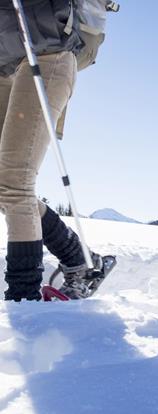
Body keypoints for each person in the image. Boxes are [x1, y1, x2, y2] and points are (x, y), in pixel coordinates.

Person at [0, 0, 102, 301]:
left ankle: (23, 299)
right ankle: (78, 258)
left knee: (15, 183)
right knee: (4, 186)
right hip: (6, 66)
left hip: (47, 54)